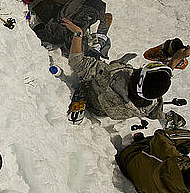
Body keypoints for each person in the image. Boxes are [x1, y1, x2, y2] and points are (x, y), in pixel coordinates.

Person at [61, 17, 190, 120]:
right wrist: (174, 61)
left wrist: (78, 33)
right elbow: (156, 86)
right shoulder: (149, 105)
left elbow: (76, 61)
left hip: (93, 91)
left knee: (93, 54)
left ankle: (99, 42)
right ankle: (100, 43)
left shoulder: (110, 77)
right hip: (103, 109)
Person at [116, 129, 190, 193]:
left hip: (128, 158)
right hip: (139, 182)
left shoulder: (169, 158)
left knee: (161, 142)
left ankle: (139, 143)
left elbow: (162, 134)